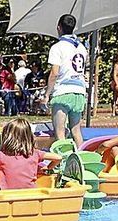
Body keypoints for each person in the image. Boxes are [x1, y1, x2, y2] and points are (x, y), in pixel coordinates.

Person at [0, 118, 61, 190]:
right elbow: (58, 158)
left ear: (6, 138)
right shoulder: (35, 154)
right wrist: (48, 168)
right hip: (30, 193)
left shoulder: (1, 156)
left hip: (8, 194)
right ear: (30, 137)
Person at [41, 14, 89, 147]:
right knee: (76, 131)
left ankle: (62, 163)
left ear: (59, 28)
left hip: (63, 92)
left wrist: (46, 95)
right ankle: (82, 159)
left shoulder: (57, 47)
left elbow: (54, 73)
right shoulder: (81, 47)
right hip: (79, 92)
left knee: (60, 133)